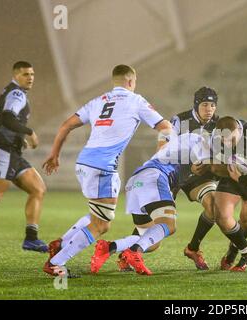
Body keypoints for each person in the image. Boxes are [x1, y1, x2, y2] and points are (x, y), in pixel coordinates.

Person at [41, 64, 172, 277]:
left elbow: (66, 125)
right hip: (103, 167)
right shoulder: (136, 100)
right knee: (102, 225)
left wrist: (54, 154)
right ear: (131, 82)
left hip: (83, 163)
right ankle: (56, 262)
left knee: (96, 215)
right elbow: (165, 126)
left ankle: (61, 243)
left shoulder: (98, 101)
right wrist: (161, 155)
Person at [90, 132, 210, 275]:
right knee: (169, 225)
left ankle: (109, 247)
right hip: (153, 177)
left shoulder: (175, 151)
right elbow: (198, 164)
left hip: (136, 181)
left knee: (150, 240)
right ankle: (134, 252)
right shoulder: (198, 144)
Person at [193, 116, 247, 271]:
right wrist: (201, 166)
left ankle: (232, 253)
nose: (226, 143)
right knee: (221, 216)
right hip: (232, 173)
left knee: (246, 221)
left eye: (230, 139)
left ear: (239, 131)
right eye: (223, 139)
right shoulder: (215, 135)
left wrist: (244, 177)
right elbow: (211, 161)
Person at [0, 61, 47, 252]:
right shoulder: (17, 93)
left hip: (13, 151)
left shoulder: (8, 92)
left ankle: (31, 238)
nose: (30, 78)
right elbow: (6, 117)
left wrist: (16, 136)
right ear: (16, 76)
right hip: (4, 150)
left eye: (32, 74)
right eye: (25, 74)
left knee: (38, 188)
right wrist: (28, 132)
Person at [171, 86, 219, 270]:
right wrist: (187, 163)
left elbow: (224, 152)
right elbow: (164, 150)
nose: (209, 109)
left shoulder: (219, 124)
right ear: (196, 105)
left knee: (214, 206)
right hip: (174, 172)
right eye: (205, 104)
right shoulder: (178, 120)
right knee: (160, 222)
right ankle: (129, 252)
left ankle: (193, 248)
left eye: (213, 105)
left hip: (199, 175)